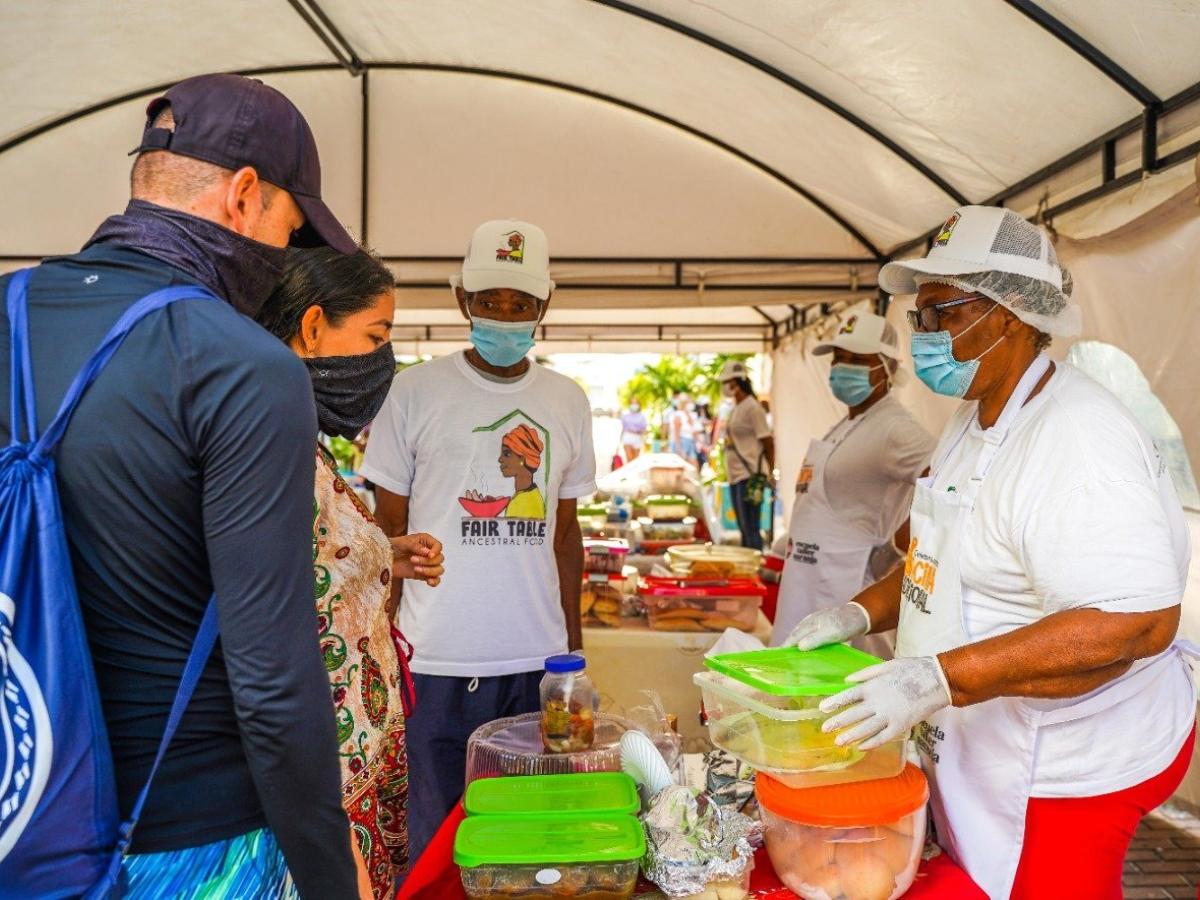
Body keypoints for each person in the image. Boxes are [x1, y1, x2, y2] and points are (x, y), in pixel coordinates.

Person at [0, 74, 365, 896]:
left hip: (18, 812)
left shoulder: (7, 310)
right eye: (289, 227)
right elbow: (272, 685)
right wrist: (329, 874)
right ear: (244, 196)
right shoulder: (242, 365)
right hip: (182, 841)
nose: (283, 257)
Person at [785, 206, 1196, 900]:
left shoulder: (1079, 437)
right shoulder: (976, 416)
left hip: (1074, 752)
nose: (924, 337)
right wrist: (854, 615)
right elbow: (930, 553)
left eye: (941, 313)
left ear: (1008, 313)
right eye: (920, 318)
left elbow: (1136, 624)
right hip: (985, 731)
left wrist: (934, 678)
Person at [361, 219, 596, 864]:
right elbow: (386, 530)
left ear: (543, 307)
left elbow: (565, 533)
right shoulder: (412, 391)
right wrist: (383, 641)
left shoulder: (566, 400)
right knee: (435, 838)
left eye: (519, 304)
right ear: (463, 300)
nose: (503, 314)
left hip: (534, 660)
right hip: (435, 657)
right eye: (489, 301)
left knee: (526, 841)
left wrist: (572, 647)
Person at [258, 246, 448, 898]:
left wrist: (381, 554)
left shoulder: (297, 432)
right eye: (375, 336)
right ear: (312, 328)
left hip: (352, 765)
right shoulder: (266, 438)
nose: (381, 361)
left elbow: (313, 559)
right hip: (323, 778)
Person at [770, 312, 934, 655]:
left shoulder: (895, 428)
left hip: (851, 584)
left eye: (857, 360)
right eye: (839, 359)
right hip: (808, 580)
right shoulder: (847, 423)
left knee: (846, 682)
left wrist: (896, 548)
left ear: (886, 367)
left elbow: (943, 483)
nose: (843, 368)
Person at [719, 361, 774, 551]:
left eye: (726, 382)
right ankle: (748, 567)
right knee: (743, 527)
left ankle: (756, 566)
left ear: (736, 382)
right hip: (736, 475)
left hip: (749, 475)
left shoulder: (753, 408)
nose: (724, 387)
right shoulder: (736, 408)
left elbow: (768, 441)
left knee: (751, 527)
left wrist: (770, 471)